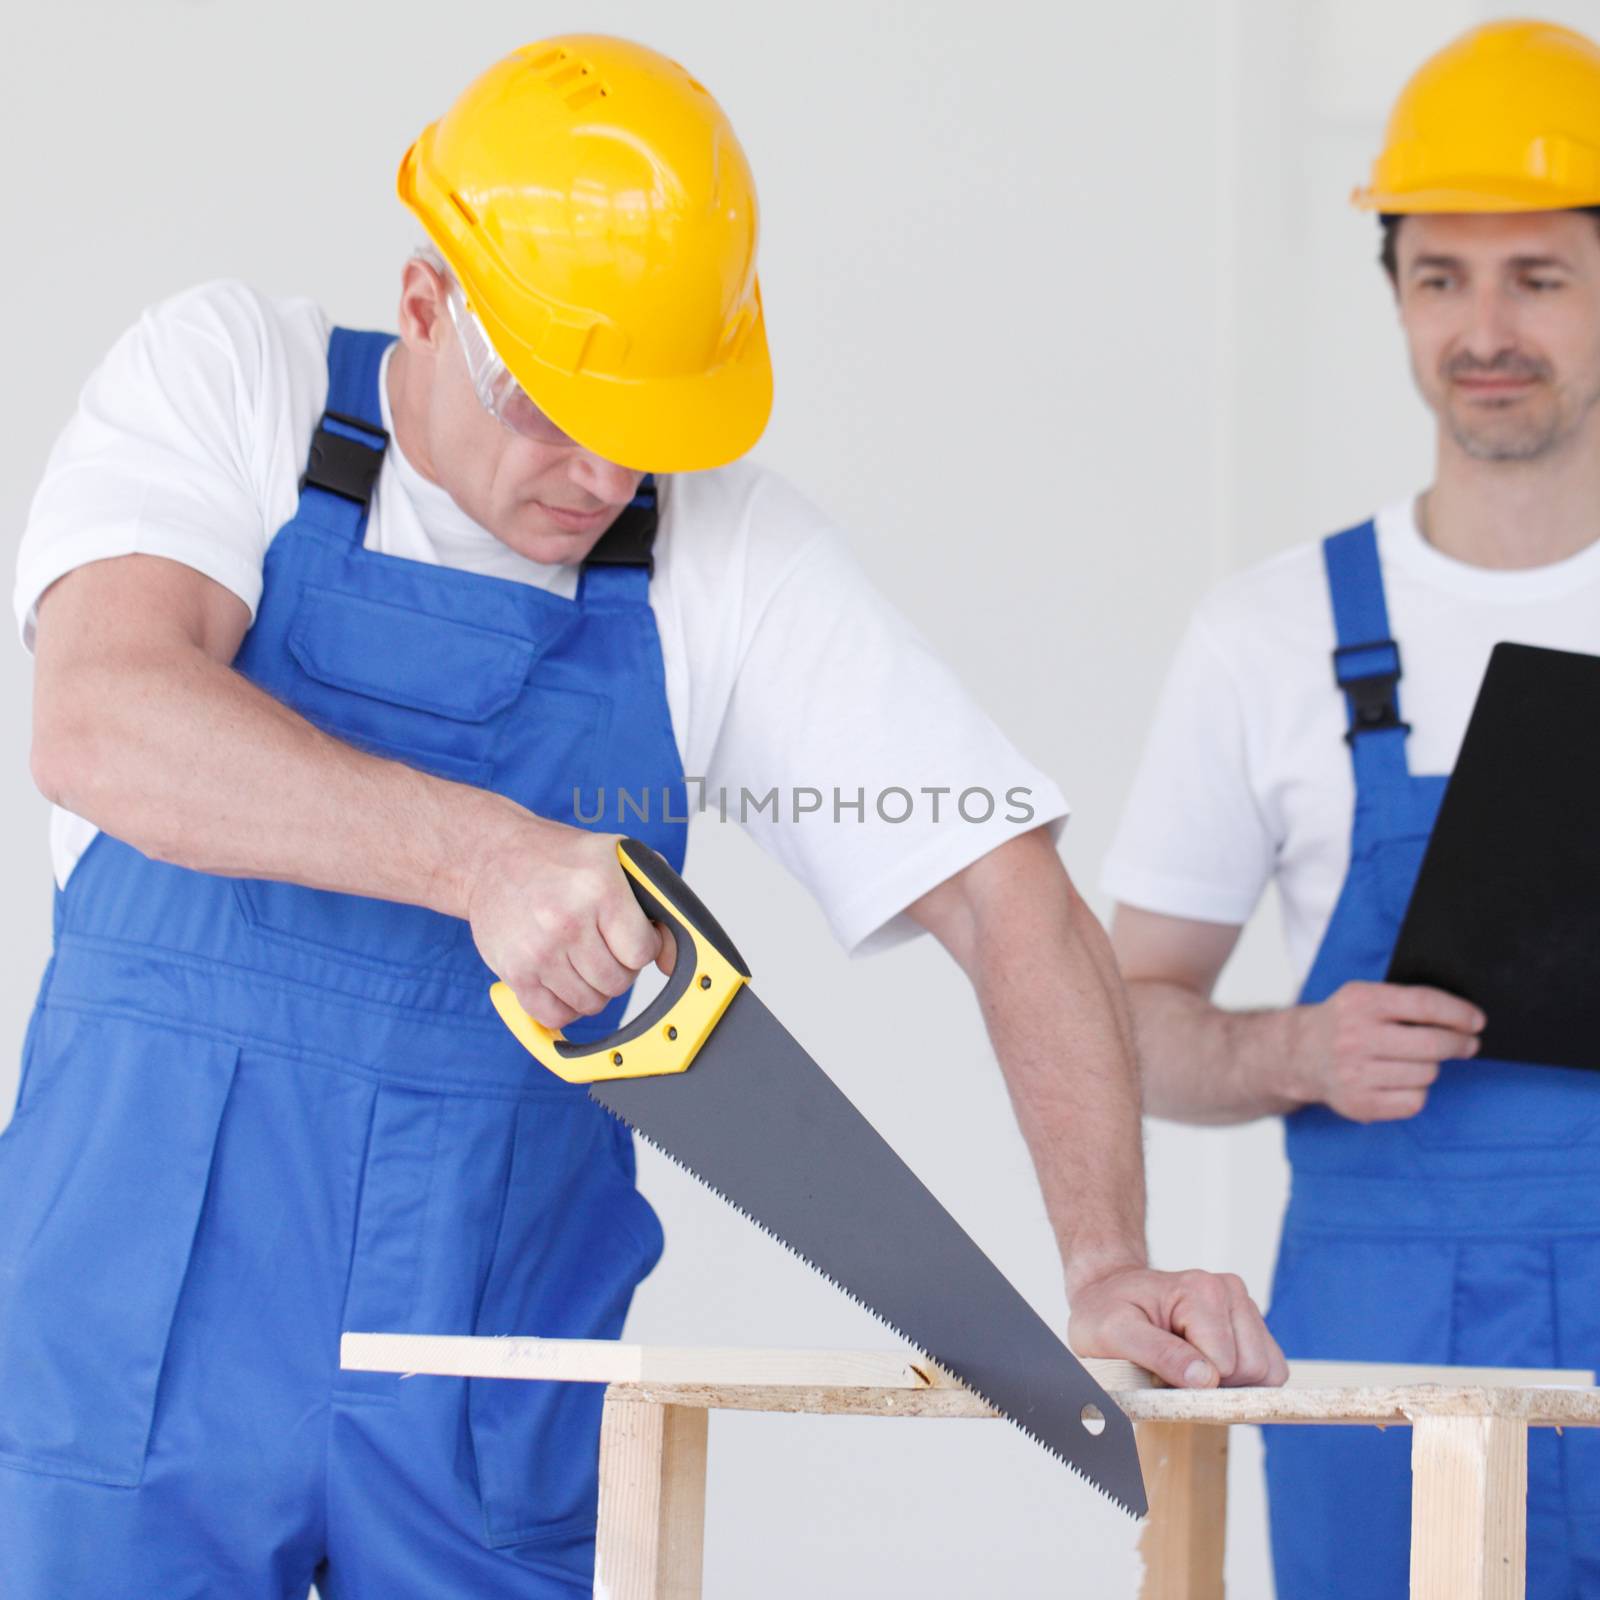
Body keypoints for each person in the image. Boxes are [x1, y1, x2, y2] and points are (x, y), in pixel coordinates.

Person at [0, 34, 1279, 1600]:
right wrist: (482, 857)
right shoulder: (231, 387)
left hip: (490, 1359)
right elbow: (102, 717)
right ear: (426, 301)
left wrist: (1102, 1264)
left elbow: (1008, 894)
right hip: (139, 1333)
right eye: (551, 405)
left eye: (648, 424)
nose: (600, 471)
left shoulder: (727, 564)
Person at [1103, 18, 1600, 1597]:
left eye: (1539, 275)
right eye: (1440, 276)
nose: (1484, 327)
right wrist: (1291, 1051)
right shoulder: (1271, 637)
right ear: (1392, 288)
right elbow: (1123, 1014)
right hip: (1368, 1343)